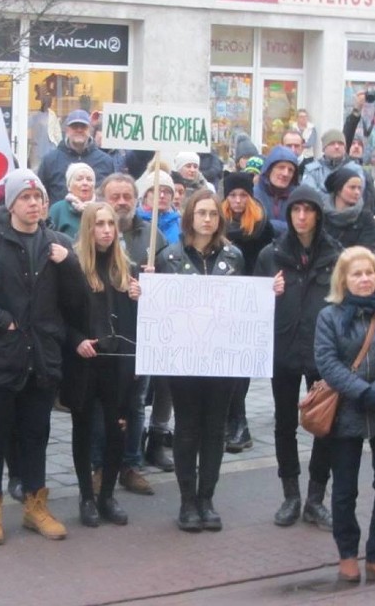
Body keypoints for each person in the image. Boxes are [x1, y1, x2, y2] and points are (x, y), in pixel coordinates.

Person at [0, 169, 85, 545]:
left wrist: (70, 264)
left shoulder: (57, 243)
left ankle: (35, 505)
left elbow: (76, 302)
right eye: (26, 198)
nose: (34, 204)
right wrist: (4, 322)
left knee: (36, 434)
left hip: (42, 356)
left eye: (39, 198)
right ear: (11, 203)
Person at [315, 246, 375, 584]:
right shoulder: (329, 316)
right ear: (344, 279)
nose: (364, 278)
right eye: (356, 273)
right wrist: (361, 391)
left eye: (369, 272)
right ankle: (347, 554)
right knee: (344, 489)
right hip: (346, 410)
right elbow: (327, 362)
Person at [155, 190, 243, 532]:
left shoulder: (234, 257)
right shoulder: (170, 257)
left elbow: (243, 305)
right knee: (187, 427)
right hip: (184, 360)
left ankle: (207, 498)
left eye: (213, 214)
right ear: (189, 216)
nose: (207, 219)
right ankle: (187, 500)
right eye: (201, 213)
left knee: (215, 429)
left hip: (222, 359)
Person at [254, 185, 341, 531]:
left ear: (318, 214)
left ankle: (316, 497)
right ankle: (290, 494)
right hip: (284, 349)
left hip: (323, 352)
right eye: (295, 211)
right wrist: (267, 293)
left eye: (308, 210)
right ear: (288, 215)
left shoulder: (336, 254)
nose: (302, 217)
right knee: (284, 423)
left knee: (326, 423)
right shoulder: (271, 254)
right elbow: (253, 304)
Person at [62, 202, 139, 527]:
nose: (106, 230)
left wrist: (140, 296)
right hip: (86, 360)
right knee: (83, 428)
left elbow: (135, 324)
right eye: (100, 224)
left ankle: (107, 494)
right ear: (88, 228)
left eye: (111, 224)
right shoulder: (74, 266)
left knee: (116, 427)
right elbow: (60, 314)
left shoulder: (126, 268)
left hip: (117, 360)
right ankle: (86, 496)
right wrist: (76, 340)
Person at [99, 173, 166, 493]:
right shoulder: (96, 233)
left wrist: (155, 282)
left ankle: (131, 463)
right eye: (116, 196)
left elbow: (171, 286)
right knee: (102, 403)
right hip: (105, 333)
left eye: (128, 195)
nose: (122, 202)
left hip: (141, 334)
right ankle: (99, 466)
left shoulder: (152, 238)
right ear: (104, 199)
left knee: (137, 402)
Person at [221, 172, 274, 453]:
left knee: (240, 366)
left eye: (243, 195)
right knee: (226, 363)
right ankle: (232, 421)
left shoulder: (262, 225)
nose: (238, 200)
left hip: (251, 301)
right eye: (233, 195)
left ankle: (239, 423)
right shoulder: (219, 224)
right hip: (224, 301)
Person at [38, 109, 114, 205]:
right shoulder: (50, 161)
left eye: (83, 126)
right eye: (74, 126)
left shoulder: (105, 161)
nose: (79, 130)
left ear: (90, 129)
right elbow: (41, 196)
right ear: (67, 130)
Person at [321, 167, 375, 250]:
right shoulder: (322, 217)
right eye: (352, 187)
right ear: (338, 189)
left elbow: (366, 250)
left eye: (359, 188)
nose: (357, 192)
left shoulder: (365, 218)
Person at [253, 145, 300, 235]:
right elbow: (252, 226)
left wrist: (267, 224)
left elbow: (301, 228)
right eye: (281, 167)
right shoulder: (253, 195)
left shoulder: (298, 197)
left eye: (290, 170)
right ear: (269, 169)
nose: (285, 173)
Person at [49, 162, 96, 238]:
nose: (85, 183)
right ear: (69, 186)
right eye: (79, 179)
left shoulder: (100, 209)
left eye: (89, 179)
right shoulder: (57, 209)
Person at [135, 169, 181, 244]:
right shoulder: (134, 222)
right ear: (146, 195)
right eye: (156, 190)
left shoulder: (180, 224)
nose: (162, 195)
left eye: (167, 191)